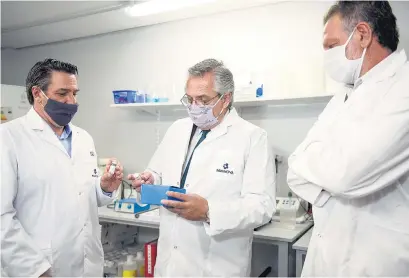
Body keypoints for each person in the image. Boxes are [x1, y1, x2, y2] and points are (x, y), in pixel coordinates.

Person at [287, 1, 409, 276]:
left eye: (331, 45)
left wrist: (327, 178)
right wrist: (330, 184)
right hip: (327, 257)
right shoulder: (346, 92)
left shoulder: (403, 88)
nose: (326, 55)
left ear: (363, 35)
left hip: (374, 263)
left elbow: (347, 174)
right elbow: (295, 167)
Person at [129, 58, 276, 277]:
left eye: (203, 100)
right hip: (170, 263)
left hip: (217, 266)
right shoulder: (177, 129)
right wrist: (148, 180)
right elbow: (157, 172)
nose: (195, 107)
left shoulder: (252, 138)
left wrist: (209, 211)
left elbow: (262, 206)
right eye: (190, 99)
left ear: (225, 99)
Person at [1, 59, 124, 277]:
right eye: (62, 93)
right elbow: (2, 216)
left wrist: (103, 188)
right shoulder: (9, 138)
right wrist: (35, 269)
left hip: (88, 263)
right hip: (41, 265)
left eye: (75, 93)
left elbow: (80, 195)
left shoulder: (83, 138)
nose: (71, 101)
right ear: (38, 94)